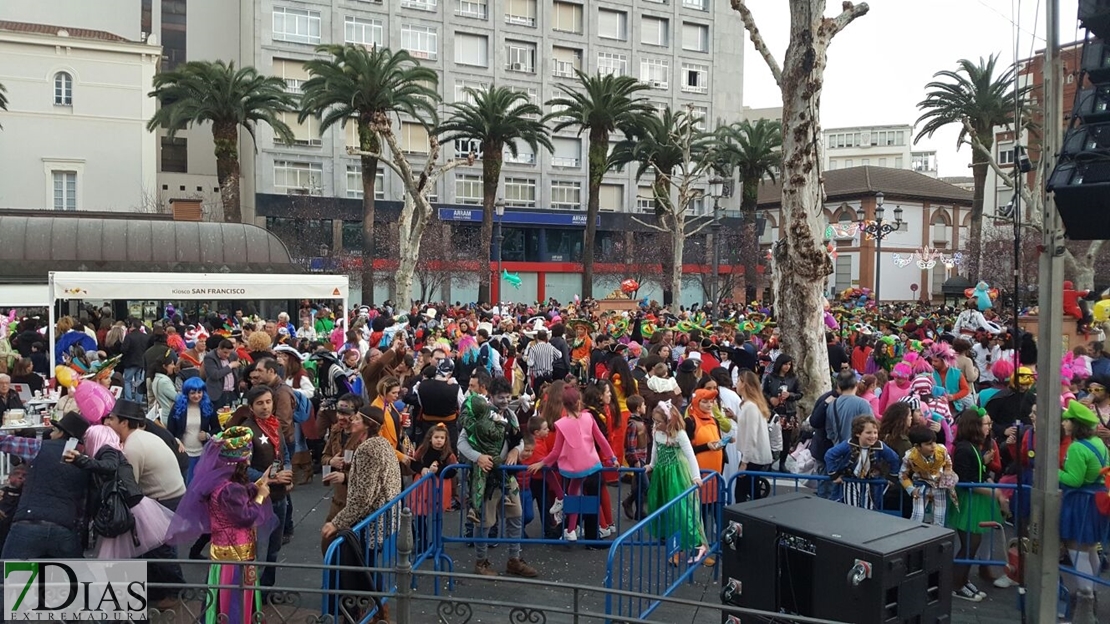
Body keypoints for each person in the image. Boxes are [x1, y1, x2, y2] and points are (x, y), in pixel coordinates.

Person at [167, 426, 275, 623]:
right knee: (234, 601)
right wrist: (259, 497)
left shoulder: (217, 482)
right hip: (236, 558)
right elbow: (247, 516)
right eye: (247, 458)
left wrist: (258, 484)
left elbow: (235, 500)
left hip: (221, 553)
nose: (249, 461)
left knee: (218, 598)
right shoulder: (232, 489)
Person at [321, 407, 403, 622]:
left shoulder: (368, 449)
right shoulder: (382, 444)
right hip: (383, 515)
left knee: (358, 565)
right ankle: (373, 610)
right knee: (366, 565)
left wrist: (336, 523)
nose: (351, 422)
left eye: (356, 419)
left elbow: (363, 498)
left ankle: (365, 611)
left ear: (366, 425)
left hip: (372, 520)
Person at [458, 378, 537, 578]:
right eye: (501, 397)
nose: (504, 401)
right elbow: (461, 442)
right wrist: (479, 458)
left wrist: (515, 452)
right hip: (485, 477)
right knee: (484, 522)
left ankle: (514, 559)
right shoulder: (480, 414)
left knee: (516, 516)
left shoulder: (511, 415)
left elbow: (519, 440)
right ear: (491, 396)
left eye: (508, 397)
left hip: (506, 476)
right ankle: (480, 562)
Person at [64, 424, 176, 558]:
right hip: (131, 507)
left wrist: (81, 460)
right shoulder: (113, 452)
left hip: (125, 510)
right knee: (147, 556)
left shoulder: (107, 450)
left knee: (122, 560)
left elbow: (110, 466)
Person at [528, 385, 617, 542]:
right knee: (584, 496)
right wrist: (613, 458)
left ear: (564, 404)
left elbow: (555, 452)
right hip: (591, 464)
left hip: (574, 467)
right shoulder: (589, 418)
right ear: (579, 402)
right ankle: (575, 528)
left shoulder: (561, 424)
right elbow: (601, 440)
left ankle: (570, 526)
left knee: (573, 493)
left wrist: (542, 463)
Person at [225, 386, 293, 589]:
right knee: (259, 549)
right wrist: (270, 479)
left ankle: (267, 589)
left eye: (268, 402)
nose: (265, 407)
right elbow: (241, 469)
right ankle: (253, 595)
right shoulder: (247, 430)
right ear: (251, 407)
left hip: (279, 495)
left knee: (274, 547)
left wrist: (288, 474)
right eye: (260, 403)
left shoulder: (275, 424)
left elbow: (284, 454)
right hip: (258, 498)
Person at [0, 411, 90, 559]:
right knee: (77, 579)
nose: (51, 434)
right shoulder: (85, 461)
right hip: (63, 527)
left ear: (61, 433)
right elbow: (83, 506)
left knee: (9, 578)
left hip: (28, 524)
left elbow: (6, 442)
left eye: (55, 430)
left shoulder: (39, 447)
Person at [947, 409, 1010, 602]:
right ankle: (956, 585)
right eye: (986, 424)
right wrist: (997, 493)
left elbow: (980, 475)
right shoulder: (965, 448)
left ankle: (962, 580)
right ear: (974, 425)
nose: (989, 427)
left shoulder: (973, 446)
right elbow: (968, 480)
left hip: (975, 501)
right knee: (968, 547)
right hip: (969, 502)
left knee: (971, 546)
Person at [1058, 400, 1110, 602]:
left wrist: (1053, 472)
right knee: (1090, 549)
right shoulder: (1099, 443)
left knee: (1077, 549)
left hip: (1080, 503)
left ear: (1075, 424)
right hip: (1097, 500)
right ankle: (1093, 591)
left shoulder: (1077, 448)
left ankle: (1085, 596)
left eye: (1067, 421)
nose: (1063, 424)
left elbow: (1074, 479)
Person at [645, 400, 708, 566]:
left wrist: (696, 477)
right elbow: (655, 450)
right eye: (655, 421)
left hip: (677, 474)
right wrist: (652, 465)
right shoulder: (656, 431)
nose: (656, 424)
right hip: (662, 474)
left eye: (659, 421)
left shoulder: (679, 434)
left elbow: (690, 456)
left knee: (679, 511)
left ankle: (697, 544)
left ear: (669, 421)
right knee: (665, 510)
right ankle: (675, 550)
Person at [824, 415, 901, 509]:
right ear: (858, 433)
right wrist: (834, 474)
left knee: (870, 509)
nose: (873, 436)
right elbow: (830, 455)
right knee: (851, 509)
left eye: (875, 433)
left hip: (871, 484)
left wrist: (892, 475)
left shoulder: (880, 446)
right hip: (851, 482)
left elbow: (894, 458)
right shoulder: (848, 445)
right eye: (868, 433)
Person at [167, 376, 223, 483]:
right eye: (192, 393)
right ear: (186, 393)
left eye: (199, 392)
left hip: (203, 453)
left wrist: (207, 435)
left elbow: (217, 429)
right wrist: (177, 441)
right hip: (185, 453)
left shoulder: (208, 406)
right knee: (187, 483)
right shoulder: (177, 407)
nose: (196, 396)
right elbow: (170, 431)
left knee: (201, 483)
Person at [320, 394, 366, 524]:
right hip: (338, 499)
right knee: (329, 537)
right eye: (339, 412)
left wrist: (345, 477)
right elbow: (324, 456)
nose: (340, 417)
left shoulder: (365, 438)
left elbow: (368, 473)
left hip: (358, 502)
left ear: (357, 414)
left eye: (346, 413)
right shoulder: (336, 431)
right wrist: (331, 461)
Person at [899, 426, 957, 526]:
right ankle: (913, 540)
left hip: (939, 486)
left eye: (934, 442)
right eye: (928, 444)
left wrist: (948, 470)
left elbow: (948, 462)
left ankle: (937, 540)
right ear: (917, 446)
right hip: (921, 487)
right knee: (917, 516)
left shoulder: (942, 450)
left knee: (939, 519)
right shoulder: (910, 456)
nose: (933, 446)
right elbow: (902, 474)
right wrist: (911, 489)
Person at [733, 370, 773, 502]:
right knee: (752, 491)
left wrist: (744, 462)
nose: (736, 383)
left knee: (741, 493)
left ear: (744, 384)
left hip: (752, 458)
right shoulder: (752, 405)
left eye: (739, 381)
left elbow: (751, 436)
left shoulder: (750, 406)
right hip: (753, 456)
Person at [204, 340, 242, 409]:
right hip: (218, 394)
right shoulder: (209, 357)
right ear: (219, 349)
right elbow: (215, 375)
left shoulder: (234, 355)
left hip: (232, 393)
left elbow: (238, 371)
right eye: (225, 352)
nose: (227, 355)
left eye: (229, 353)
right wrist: (230, 366)